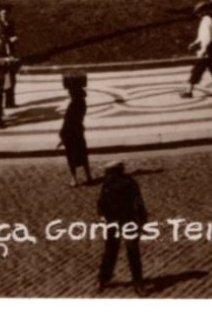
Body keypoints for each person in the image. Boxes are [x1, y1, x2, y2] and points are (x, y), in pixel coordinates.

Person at [96, 162, 150, 294]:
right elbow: (139, 203)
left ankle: (103, 280)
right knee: (130, 252)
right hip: (123, 220)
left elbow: (101, 203)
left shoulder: (111, 183)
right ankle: (137, 284)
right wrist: (142, 220)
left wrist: (102, 215)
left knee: (112, 252)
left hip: (119, 220)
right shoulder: (129, 182)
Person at [181, 2, 212, 99]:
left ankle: (188, 91)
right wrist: (194, 43)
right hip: (208, 50)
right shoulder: (206, 20)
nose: (197, 14)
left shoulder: (207, 21)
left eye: (198, 12)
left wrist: (203, 50)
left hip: (206, 50)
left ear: (203, 12)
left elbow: (207, 38)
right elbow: (202, 37)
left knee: (196, 71)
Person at [59, 74, 91, 186]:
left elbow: (68, 121)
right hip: (78, 131)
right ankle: (88, 176)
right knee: (83, 154)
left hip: (71, 133)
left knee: (71, 156)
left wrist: (63, 136)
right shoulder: (82, 102)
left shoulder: (74, 104)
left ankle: (74, 179)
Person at [0, 4, 21, 109]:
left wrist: (15, 38)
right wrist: (9, 39)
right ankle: (0, 102)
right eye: (3, 13)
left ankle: (10, 102)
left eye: (6, 13)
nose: (4, 15)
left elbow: (13, 34)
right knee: (3, 79)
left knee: (12, 78)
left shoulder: (11, 23)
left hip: (11, 53)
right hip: (1, 54)